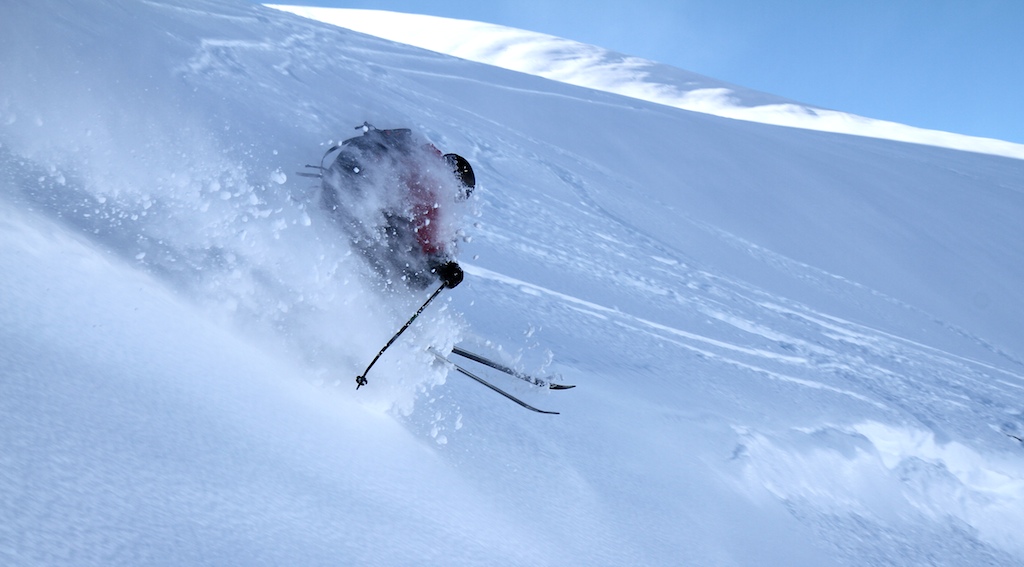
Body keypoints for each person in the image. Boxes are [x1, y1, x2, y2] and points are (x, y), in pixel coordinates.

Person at [318, 123, 475, 290]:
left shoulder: (420, 155)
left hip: (341, 186)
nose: (450, 201)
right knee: (417, 272)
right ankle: (374, 293)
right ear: (455, 184)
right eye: (455, 197)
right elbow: (428, 229)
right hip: (353, 206)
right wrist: (443, 265)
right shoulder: (435, 184)